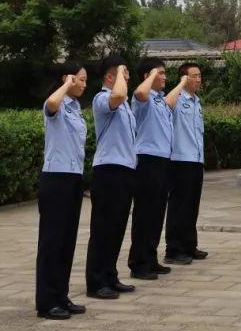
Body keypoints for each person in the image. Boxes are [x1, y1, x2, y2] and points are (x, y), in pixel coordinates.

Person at [35, 62, 88, 320]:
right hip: (56, 178)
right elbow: (52, 104)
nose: (84, 84)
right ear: (67, 78)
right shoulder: (56, 104)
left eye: (85, 80)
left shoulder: (76, 108)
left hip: (74, 177)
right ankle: (47, 302)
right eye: (80, 79)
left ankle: (61, 295)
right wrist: (67, 84)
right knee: (52, 242)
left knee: (67, 241)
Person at [85, 55, 138, 299]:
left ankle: (110, 275)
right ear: (109, 77)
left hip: (125, 169)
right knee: (103, 228)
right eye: (122, 73)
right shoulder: (102, 98)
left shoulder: (124, 105)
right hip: (108, 170)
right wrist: (120, 74)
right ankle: (96, 281)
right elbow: (118, 95)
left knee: (117, 227)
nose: (127, 77)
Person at [127, 58, 178, 280]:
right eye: (160, 73)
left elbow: (171, 100)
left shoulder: (159, 100)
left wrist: (181, 82)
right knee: (145, 213)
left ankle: (150, 257)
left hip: (163, 160)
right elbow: (140, 92)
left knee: (157, 213)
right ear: (147, 76)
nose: (164, 76)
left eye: (164, 73)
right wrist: (151, 76)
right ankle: (138, 263)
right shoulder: (143, 99)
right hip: (147, 160)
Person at [164, 62, 208, 264]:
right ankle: (173, 250)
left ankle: (189, 245)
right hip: (180, 160)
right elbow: (166, 104)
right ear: (183, 78)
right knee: (178, 206)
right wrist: (181, 84)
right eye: (193, 76)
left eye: (199, 76)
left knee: (192, 206)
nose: (198, 79)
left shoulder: (197, 101)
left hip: (196, 159)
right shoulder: (177, 98)